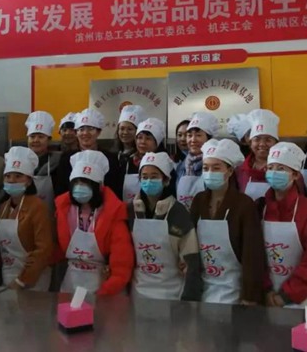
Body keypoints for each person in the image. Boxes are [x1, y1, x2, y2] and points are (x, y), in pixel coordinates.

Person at [190, 139, 266, 305]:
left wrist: (249, 296)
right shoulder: (199, 201)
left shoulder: (244, 204)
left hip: (234, 291)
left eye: (216, 168)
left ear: (230, 171)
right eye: (206, 168)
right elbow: (190, 243)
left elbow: (252, 254)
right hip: (202, 288)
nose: (210, 173)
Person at [260, 142, 307, 309]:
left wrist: (286, 295)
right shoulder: (259, 208)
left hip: (303, 299)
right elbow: (254, 255)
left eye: (281, 169)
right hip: (267, 298)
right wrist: (266, 290)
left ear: (296, 175)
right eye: (271, 168)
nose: (274, 173)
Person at [55, 150, 134, 295]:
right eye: (76, 182)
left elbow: (122, 260)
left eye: (86, 183)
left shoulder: (113, 212)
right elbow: (56, 249)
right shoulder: (63, 210)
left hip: (103, 284)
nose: (80, 187)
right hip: (70, 283)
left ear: (98, 186)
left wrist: (107, 289)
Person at [128, 152, 201, 301]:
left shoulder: (178, 212)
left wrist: (189, 298)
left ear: (166, 180)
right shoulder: (129, 211)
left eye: (154, 176)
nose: (149, 181)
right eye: (144, 177)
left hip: (171, 294)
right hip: (137, 293)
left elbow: (191, 260)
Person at [0, 147, 53, 290]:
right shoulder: (3, 208)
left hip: (34, 278)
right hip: (7, 273)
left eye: (18, 176)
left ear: (28, 181)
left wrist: (22, 280)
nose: (12, 180)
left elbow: (43, 248)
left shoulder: (38, 207)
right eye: (8, 176)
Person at [54, 108, 123, 199]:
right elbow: (61, 190)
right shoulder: (66, 158)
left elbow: (115, 190)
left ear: (98, 132)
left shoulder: (110, 158)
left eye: (90, 129)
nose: (85, 133)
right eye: (81, 129)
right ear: (76, 133)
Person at [176, 112, 220, 210]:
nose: (193, 140)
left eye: (198, 135)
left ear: (209, 139)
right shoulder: (181, 167)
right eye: (189, 135)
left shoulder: (216, 165)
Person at [237, 109, 280, 201]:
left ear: (276, 143)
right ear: (250, 142)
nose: (262, 144)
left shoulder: (285, 170)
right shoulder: (240, 170)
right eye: (257, 139)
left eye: (268, 140)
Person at [122, 117, 167, 201]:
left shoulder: (165, 163)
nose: (142, 142)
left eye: (148, 138)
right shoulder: (128, 161)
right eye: (139, 137)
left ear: (157, 143)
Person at [25, 111, 61, 216]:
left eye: (41, 137)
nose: (36, 140)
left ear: (49, 140)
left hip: (50, 214)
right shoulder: (20, 160)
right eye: (32, 136)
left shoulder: (57, 162)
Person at [114, 105, 147, 171]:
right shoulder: (113, 155)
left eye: (130, 129)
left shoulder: (143, 157)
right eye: (122, 128)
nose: (125, 132)